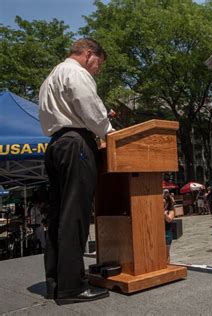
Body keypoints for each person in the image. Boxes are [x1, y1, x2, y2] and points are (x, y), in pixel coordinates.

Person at [39, 38, 111, 303]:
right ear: (89, 54)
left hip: (56, 144)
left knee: (58, 215)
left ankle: (56, 282)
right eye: (98, 65)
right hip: (76, 144)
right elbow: (91, 110)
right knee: (75, 215)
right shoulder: (76, 73)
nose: (97, 71)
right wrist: (108, 131)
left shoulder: (52, 76)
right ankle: (73, 287)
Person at [163, 189, 175, 263]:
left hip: (167, 233)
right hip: (159, 233)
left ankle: (168, 266)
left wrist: (164, 214)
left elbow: (169, 220)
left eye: (164, 203)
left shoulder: (171, 211)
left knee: (166, 253)